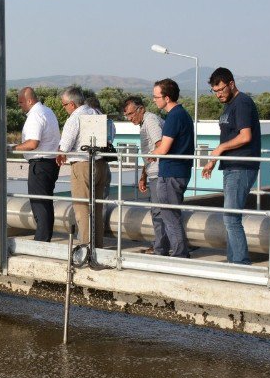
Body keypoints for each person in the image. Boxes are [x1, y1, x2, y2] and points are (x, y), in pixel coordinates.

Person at [202, 67, 262, 265]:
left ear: (231, 84)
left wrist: (219, 149)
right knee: (230, 218)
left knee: (231, 218)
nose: (218, 94)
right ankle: (233, 261)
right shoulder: (229, 105)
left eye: (220, 90)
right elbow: (229, 137)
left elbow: (246, 136)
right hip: (231, 166)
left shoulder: (242, 102)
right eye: (215, 91)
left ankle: (241, 264)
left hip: (242, 166)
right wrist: (212, 162)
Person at [56, 87, 110, 248]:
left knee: (82, 209)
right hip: (100, 164)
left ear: (72, 104)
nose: (64, 108)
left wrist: (60, 154)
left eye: (64, 105)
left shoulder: (75, 118)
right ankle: (97, 245)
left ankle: (86, 247)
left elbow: (64, 146)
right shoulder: (96, 113)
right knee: (97, 208)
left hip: (82, 165)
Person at [150, 78, 194, 258]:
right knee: (171, 214)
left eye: (156, 96)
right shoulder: (182, 114)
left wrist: (152, 154)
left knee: (169, 215)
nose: (154, 100)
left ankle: (179, 255)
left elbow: (164, 148)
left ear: (166, 98)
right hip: (179, 171)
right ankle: (179, 253)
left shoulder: (174, 116)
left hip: (171, 173)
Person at [123, 95, 168, 256]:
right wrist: (144, 174)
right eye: (126, 115)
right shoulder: (145, 123)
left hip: (159, 172)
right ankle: (160, 245)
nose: (129, 118)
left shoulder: (150, 121)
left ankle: (160, 247)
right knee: (158, 210)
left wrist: (149, 171)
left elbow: (160, 145)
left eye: (130, 114)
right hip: (153, 171)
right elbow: (151, 152)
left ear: (141, 109)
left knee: (158, 211)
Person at [16, 87, 62, 242]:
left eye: (21, 102)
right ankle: (44, 237)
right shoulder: (47, 111)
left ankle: (42, 240)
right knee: (45, 202)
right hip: (50, 162)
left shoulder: (35, 115)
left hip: (41, 163)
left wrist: (11, 148)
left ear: (29, 100)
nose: (20, 106)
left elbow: (33, 143)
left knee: (39, 203)